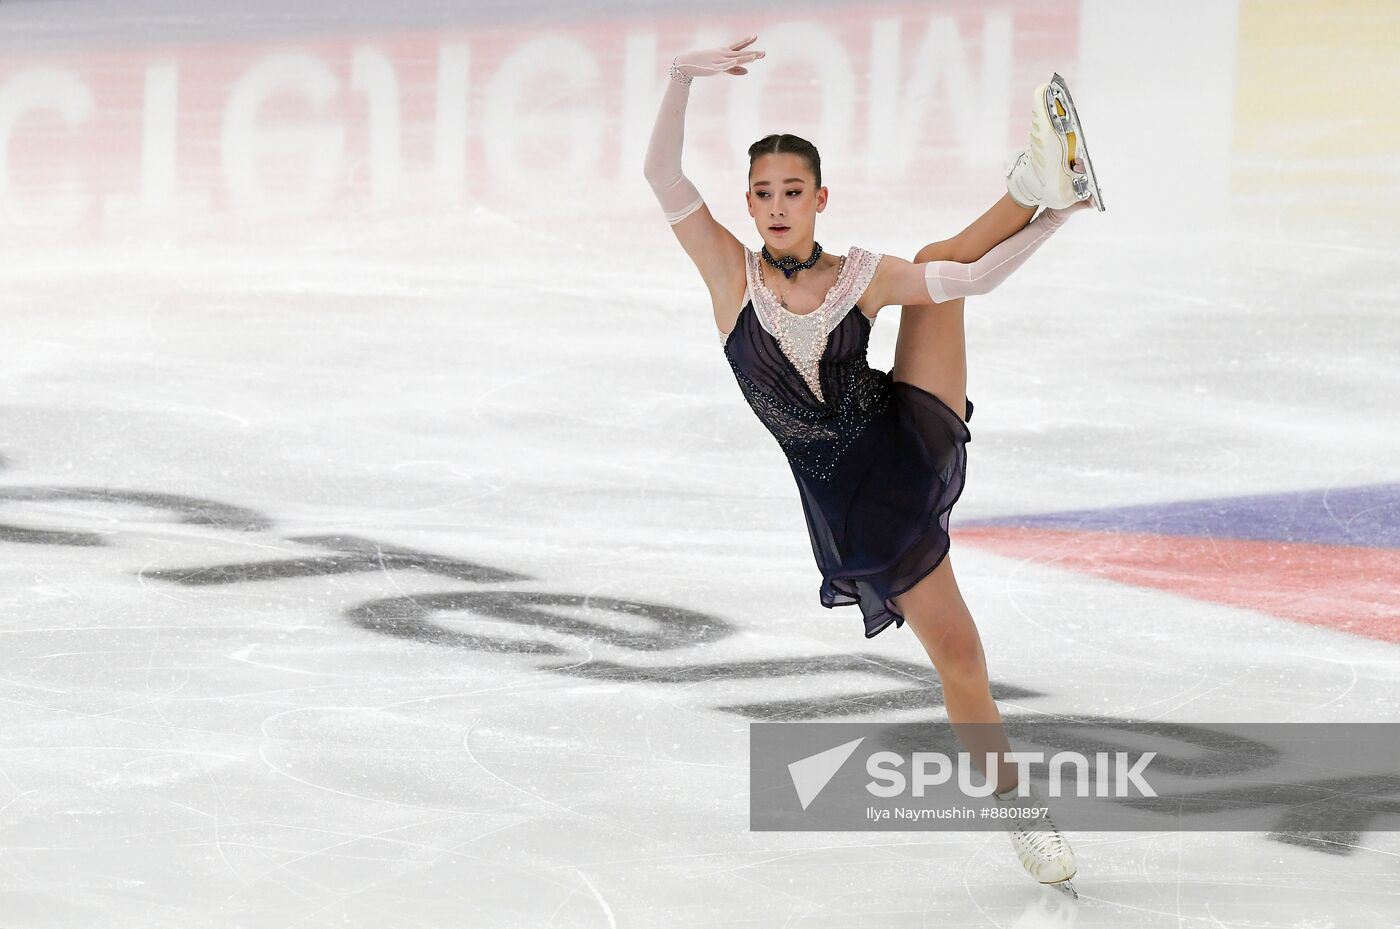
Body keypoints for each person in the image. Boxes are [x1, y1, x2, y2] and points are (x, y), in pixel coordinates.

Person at [643, 35, 1104, 897]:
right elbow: (663, 177)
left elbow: (964, 282)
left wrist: (1055, 226)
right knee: (961, 659)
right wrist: (679, 78)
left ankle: (1041, 185)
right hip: (862, 506)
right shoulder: (730, 277)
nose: (776, 207)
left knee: (936, 260)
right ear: (747, 202)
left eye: (792, 192)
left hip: (900, 429)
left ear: (820, 198)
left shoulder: (859, 274)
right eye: (762, 194)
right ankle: (1017, 811)